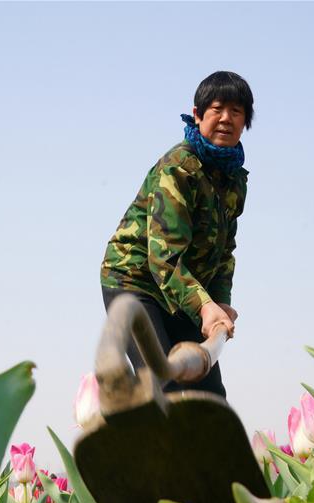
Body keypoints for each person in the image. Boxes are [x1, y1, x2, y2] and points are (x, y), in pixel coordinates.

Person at [100, 71, 254, 399]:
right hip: (137, 283)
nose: (226, 118)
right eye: (217, 109)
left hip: (186, 293)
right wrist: (205, 306)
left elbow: (224, 251)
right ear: (197, 115)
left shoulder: (235, 180)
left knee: (209, 394)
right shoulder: (179, 168)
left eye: (237, 112)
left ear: (245, 122)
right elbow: (163, 258)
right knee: (164, 386)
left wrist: (221, 303)